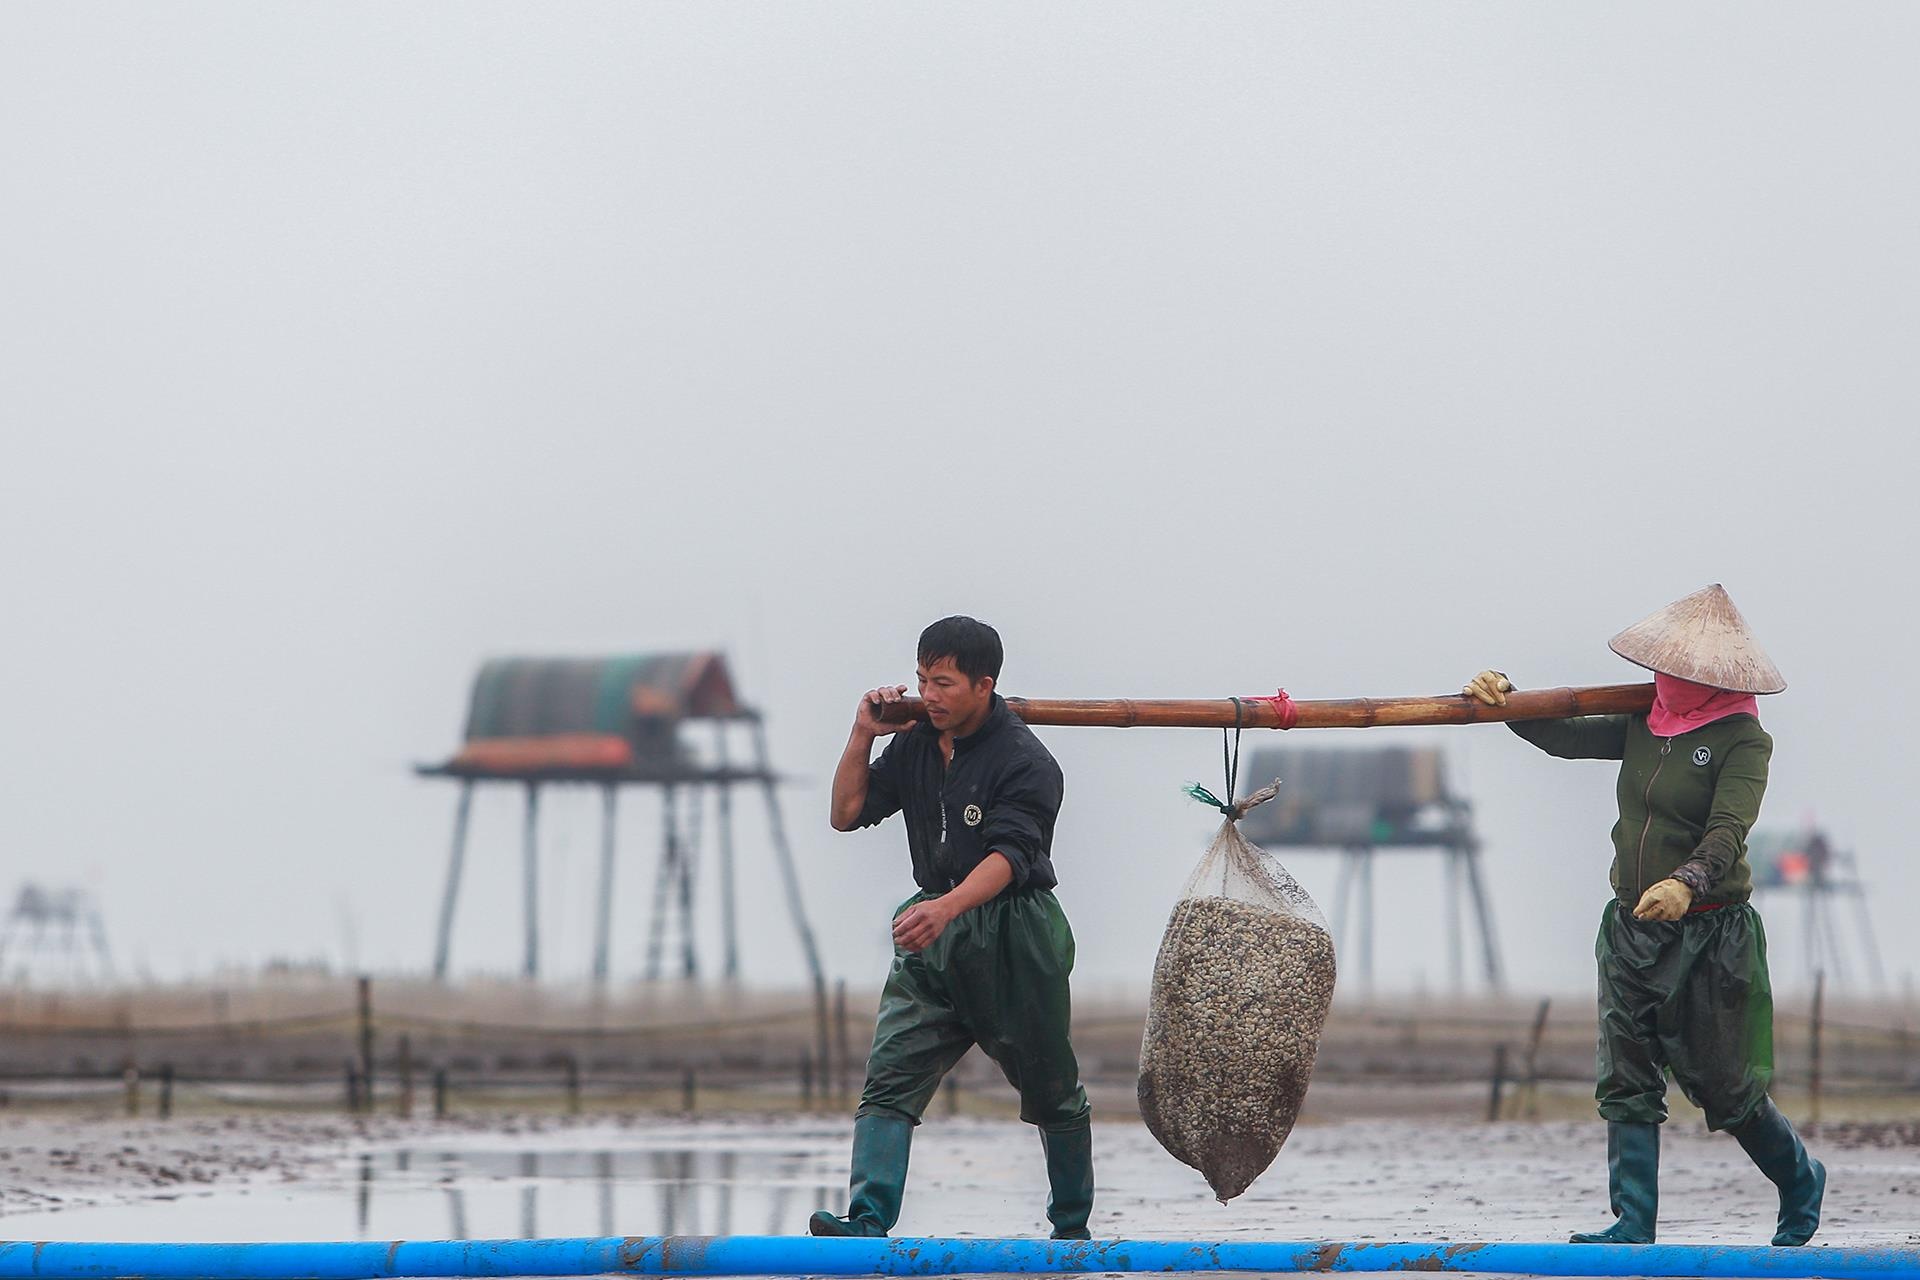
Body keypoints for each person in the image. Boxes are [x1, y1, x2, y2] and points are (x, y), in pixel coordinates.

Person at [1465, 584, 1824, 1246]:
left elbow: (1727, 830)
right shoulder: (1642, 719)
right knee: (1626, 1076)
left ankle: (1800, 1180)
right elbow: (1560, 737)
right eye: (1661, 667)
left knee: (1725, 1087)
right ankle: (1632, 1222)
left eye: (1680, 672)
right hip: (1631, 930)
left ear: (1714, 676)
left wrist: (1688, 880)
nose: (1665, 681)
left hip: (1711, 933)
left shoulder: (1743, 740)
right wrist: (1504, 705)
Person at [810, 615, 1093, 1239]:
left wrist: (947, 908)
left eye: (942, 683)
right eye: (921, 680)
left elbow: (1010, 857)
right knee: (889, 1076)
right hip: (931, 928)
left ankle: (1071, 1230)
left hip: (1014, 932)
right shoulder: (913, 740)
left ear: (983, 685)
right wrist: (862, 734)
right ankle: (866, 1221)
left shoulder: (1026, 761)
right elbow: (846, 812)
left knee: (1051, 1087)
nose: (928, 696)